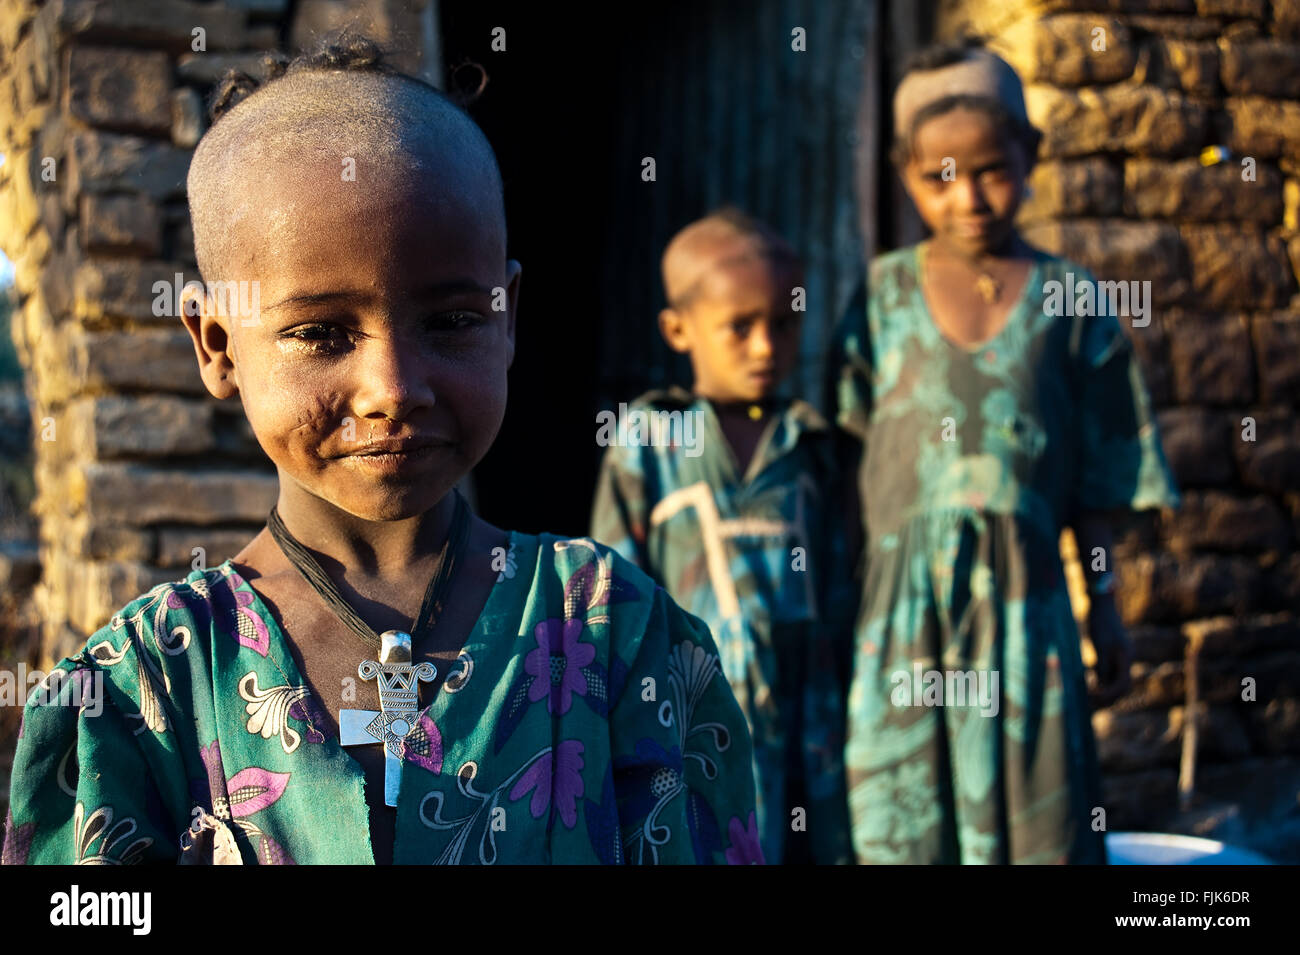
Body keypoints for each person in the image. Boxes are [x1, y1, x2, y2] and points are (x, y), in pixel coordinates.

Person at [3, 36, 759, 866]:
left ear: (507, 317)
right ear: (216, 343)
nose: (393, 387)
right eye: (320, 333)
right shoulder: (138, 696)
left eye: (452, 320)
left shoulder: (621, 638)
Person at [829, 44, 1180, 864]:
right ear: (906, 175)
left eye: (991, 169)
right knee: (903, 826)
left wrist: (1106, 603)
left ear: (1034, 157)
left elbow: (1101, 477)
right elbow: (846, 467)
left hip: (1028, 617)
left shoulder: (1072, 300)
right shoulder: (879, 297)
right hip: (900, 620)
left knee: (1038, 827)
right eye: (939, 175)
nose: (969, 197)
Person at [591, 209, 854, 864]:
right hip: (692, 708)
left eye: (785, 324)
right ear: (680, 329)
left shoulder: (814, 446)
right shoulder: (651, 440)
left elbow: (844, 582)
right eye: (740, 327)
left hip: (808, 714)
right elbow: (611, 594)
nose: (767, 347)